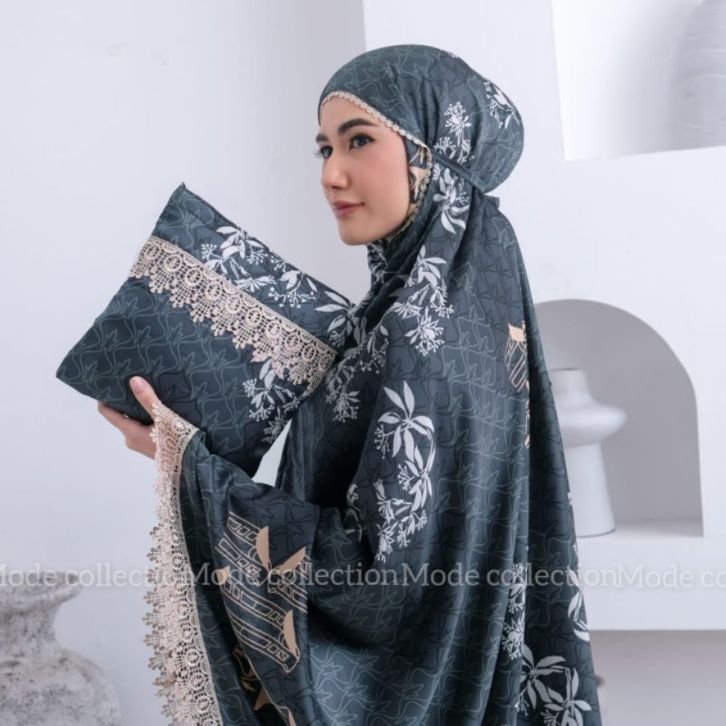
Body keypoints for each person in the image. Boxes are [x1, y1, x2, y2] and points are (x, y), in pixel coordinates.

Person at [99, 44, 602, 725]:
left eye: (359, 140)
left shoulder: (424, 337)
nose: (331, 174)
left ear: (432, 157)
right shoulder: (451, 305)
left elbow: (379, 583)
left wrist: (188, 464)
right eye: (324, 148)